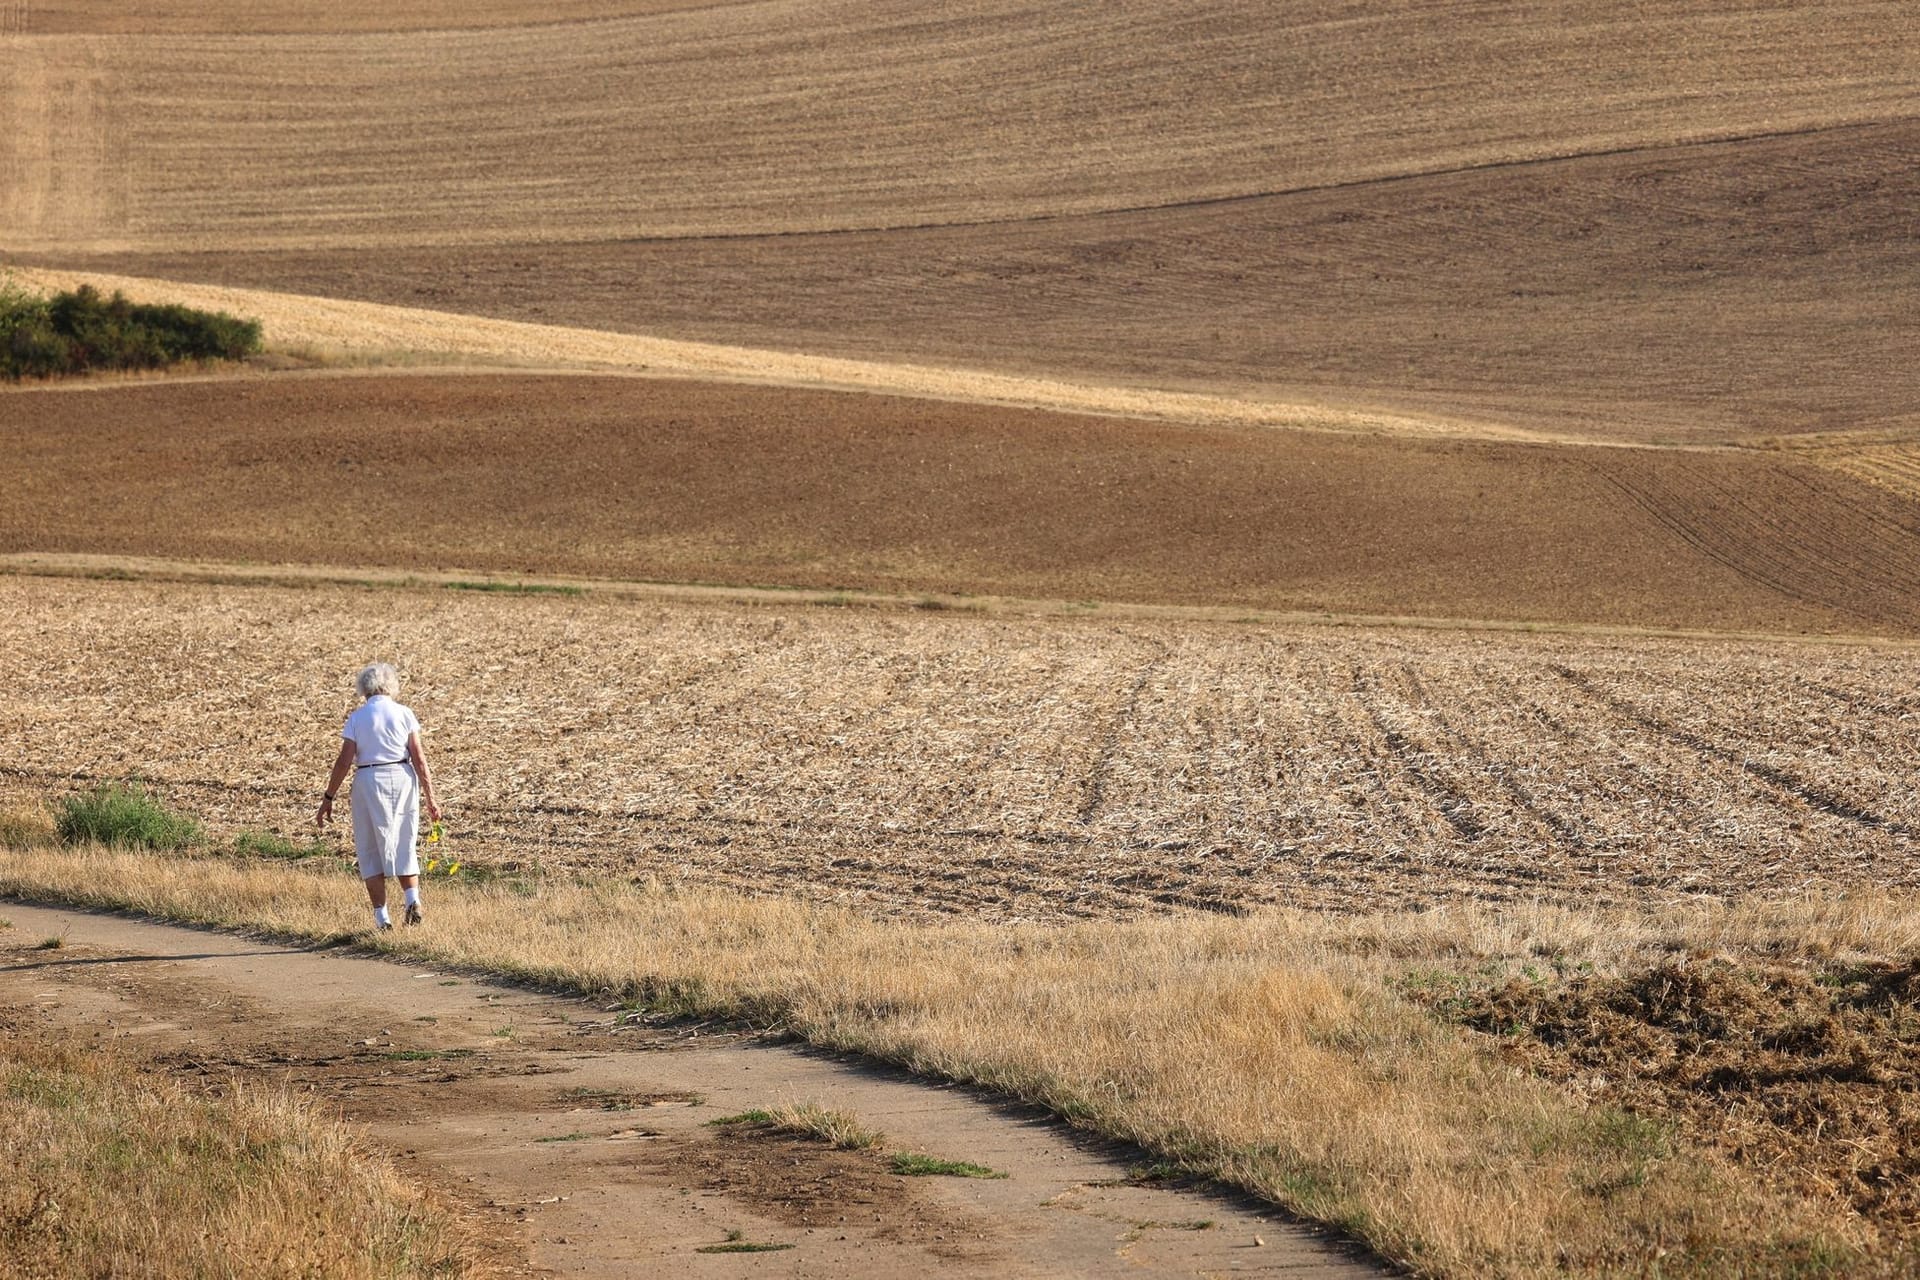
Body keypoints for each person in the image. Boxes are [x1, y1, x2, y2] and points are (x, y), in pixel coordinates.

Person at [315, 663, 442, 930]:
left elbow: (343, 761)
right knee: (404, 839)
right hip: (402, 776)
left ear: (364, 688)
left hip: (368, 779)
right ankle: (412, 899)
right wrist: (430, 795)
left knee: (369, 846)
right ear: (391, 685)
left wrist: (329, 796)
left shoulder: (357, 718)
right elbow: (419, 758)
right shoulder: (405, 713)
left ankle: (382, 918)